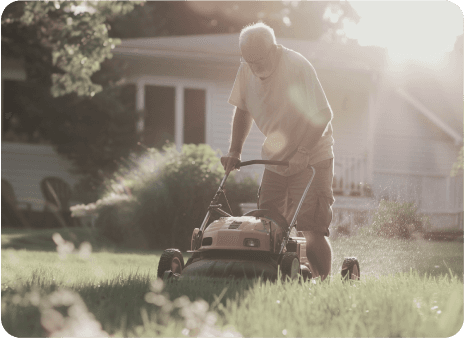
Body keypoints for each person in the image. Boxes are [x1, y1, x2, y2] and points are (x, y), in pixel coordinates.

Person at [221, 22, 335, 281]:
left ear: (273, 50)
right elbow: (243, 109)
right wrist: (234, 151)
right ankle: (270, 278)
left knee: (311, 227)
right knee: (266, 225)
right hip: (276, 159)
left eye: (258, 60)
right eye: (248, 60)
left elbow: (322, 113)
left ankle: (323, 283)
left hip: (312, 155)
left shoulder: (296, 66)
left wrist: (303, 151)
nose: (253, 66)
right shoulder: (246, 69)